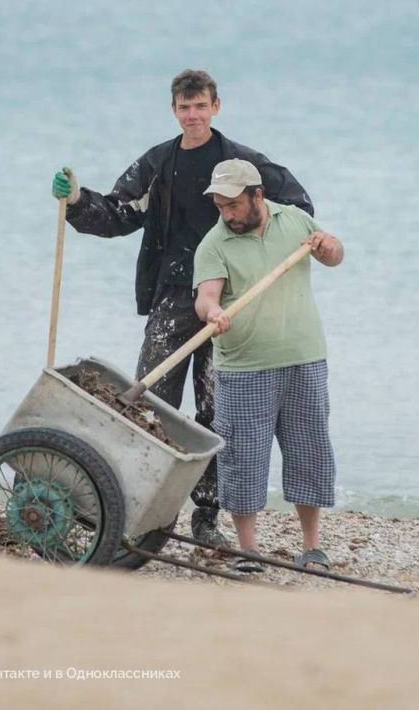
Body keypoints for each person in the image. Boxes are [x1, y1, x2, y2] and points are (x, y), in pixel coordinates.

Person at [51, 70, 313, 549]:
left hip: (230, 302)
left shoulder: (243, 164)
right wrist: (75, 200)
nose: (192, 115)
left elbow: (296, 207)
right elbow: (117, 214)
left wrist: (266, 256)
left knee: (217, 413)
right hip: (173, 299)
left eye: (200, 106)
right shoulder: (158, 163)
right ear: (174, 111)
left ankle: (206, 519)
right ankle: (134, 503)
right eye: (183, 107)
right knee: (150, 403)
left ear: (216, 106)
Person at [193, 158, 344, 573]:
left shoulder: (294, 220)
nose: (227, 214)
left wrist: (331, 248)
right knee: (243, 457)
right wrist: (211, 313)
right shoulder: (215, 243)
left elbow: (334, 255)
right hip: (243, 368)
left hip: (304, 359)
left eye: (233, 205)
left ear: (257, 195)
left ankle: (312, 547)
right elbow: (206, 296)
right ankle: (248, 550)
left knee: (309, 451)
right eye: (220, 206)